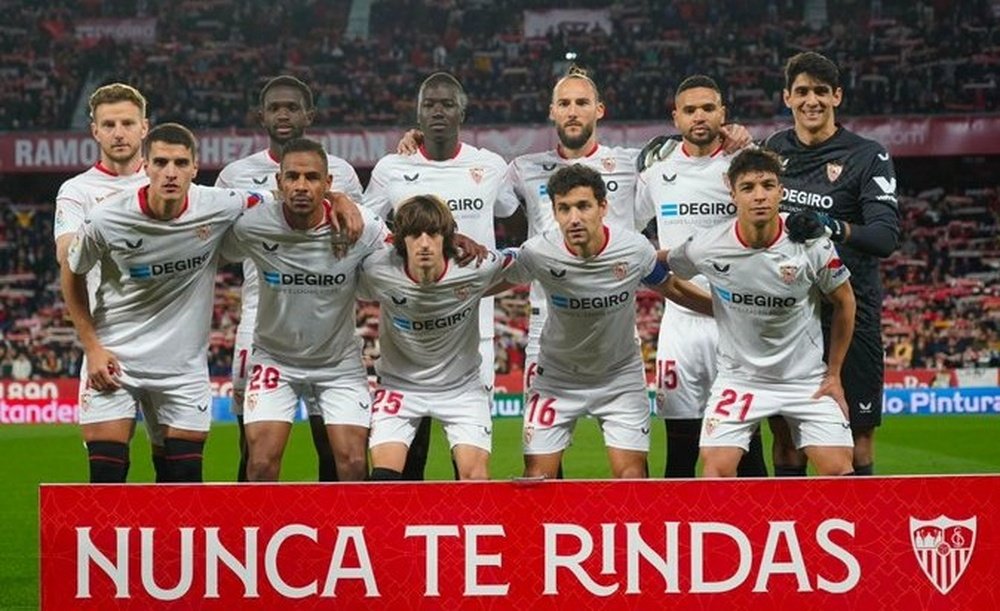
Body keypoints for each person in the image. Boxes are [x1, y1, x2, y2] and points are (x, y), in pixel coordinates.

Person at [63, 123, 271, 483]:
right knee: (106, 480)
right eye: (161, 162)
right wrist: (92, 347)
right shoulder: (107, 219)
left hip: (181, 369)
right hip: (115, 361)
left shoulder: (220, 204)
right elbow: (73, 270)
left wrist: (340, 199)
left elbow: (279, 198)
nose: (170, 172)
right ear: (145, 166)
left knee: (183, 481)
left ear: (195, 167)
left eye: (180, 163)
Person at [500, 164, 710, 479]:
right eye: (564, 208)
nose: (574, 218)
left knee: (632, 480)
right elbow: (487, 283)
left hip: (619, 380)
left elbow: (672, 287)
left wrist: (728, 310)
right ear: (555, 213)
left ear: (603, 207)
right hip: (556, 380)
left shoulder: (634, 249)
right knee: (536, 481)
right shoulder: (538, 252)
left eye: (583, 206)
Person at [665, 149, 857, 477]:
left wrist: (835, 374)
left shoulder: (811, 244)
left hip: (805, 381)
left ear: (781, 192)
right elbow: (660, 266)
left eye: (768, 186)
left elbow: (845, 301)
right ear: (733, 194)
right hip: (739, 380)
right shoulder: (708, 245)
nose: (760, 196)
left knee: (839, 471)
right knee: (715, 471)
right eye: (749, 188)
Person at [364, 72, 516, 480]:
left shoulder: (490, 166)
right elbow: (367, 228)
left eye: (446, 103)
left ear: (462, 112)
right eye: (429, 103)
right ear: (417, 113)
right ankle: (406, 538)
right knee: (410, 451)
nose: (437, 110)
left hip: (474, 323)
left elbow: (511, 211)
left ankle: (458, 536)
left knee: (465, 455)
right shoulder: (392, 168)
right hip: (411, 317)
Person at [215, 75, 364, 483]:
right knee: (253, 451)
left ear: (308, 115)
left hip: (329, 326)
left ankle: (337, 536)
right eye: (275, 107)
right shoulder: (235, 174)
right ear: (261, 115)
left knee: (333, 449)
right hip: (261, 322)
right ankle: (253, 535)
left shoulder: (344, 174)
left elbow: (359, 234)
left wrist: (340, 197)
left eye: (293, 107)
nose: (283, 114)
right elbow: (216, 237)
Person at [765, 52, 900, 476]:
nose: (812, 100)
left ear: (836, 96)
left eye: (821, 91)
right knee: (786, 438)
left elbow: (884, 238)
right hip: (787, 314)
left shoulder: (867, 156)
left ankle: (860, 537)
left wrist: (831, 227)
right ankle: (791, 533)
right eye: (802, 91)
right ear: (787, 97)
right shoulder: (773, 150)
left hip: (850, 310)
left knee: (856, 433)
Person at [635, 75, 768, 478]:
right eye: (690, 110)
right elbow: (628, 228)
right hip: (680, 324)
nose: (699, 117)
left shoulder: (742, 167)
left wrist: (752, 144)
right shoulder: (657, 174)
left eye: (708, 108)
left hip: (736, 321)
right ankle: (682, 538)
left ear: (722, 114)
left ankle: (756, 532)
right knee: (679, 451)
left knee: (748, 449)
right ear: (675, 118)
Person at [52, 83, 168, 481]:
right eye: (109, 124)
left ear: (144, 128)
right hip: (110, 344)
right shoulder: (77, 191)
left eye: (127, 123)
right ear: (94, 131)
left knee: (176, 477)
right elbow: (69, 260)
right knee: (106, 479)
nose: (119, 132)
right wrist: (92, 346)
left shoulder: (168, 182)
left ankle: (170, 546)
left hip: (173, 347)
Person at [360, 195, 513, 481]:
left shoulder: (476, 266)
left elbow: (524, 264)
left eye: (433, 233)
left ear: (447, 237)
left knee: (475, 481)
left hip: (462, 389)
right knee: (383, 481)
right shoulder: (377, 269)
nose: (425, 243)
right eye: (415, 235)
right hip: (399, 387)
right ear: (400, 240)